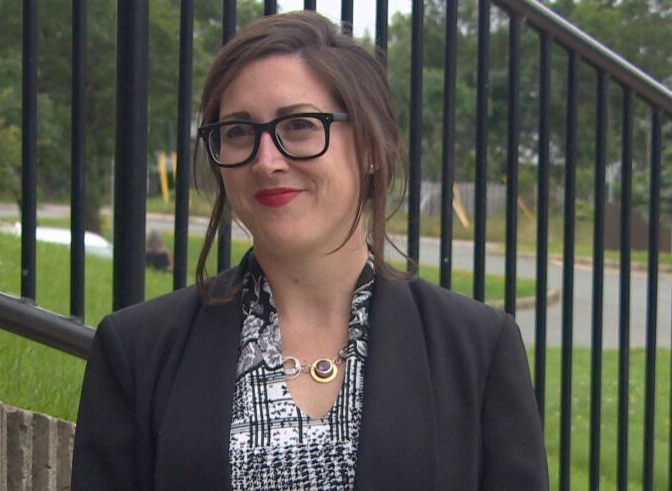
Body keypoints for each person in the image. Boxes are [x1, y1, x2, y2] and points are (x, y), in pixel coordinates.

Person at [72, 10, 548, 490]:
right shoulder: (136, 351)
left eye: (298, 125)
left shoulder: (477, 351)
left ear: (369, 147)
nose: (266, 160)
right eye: (238, 132)